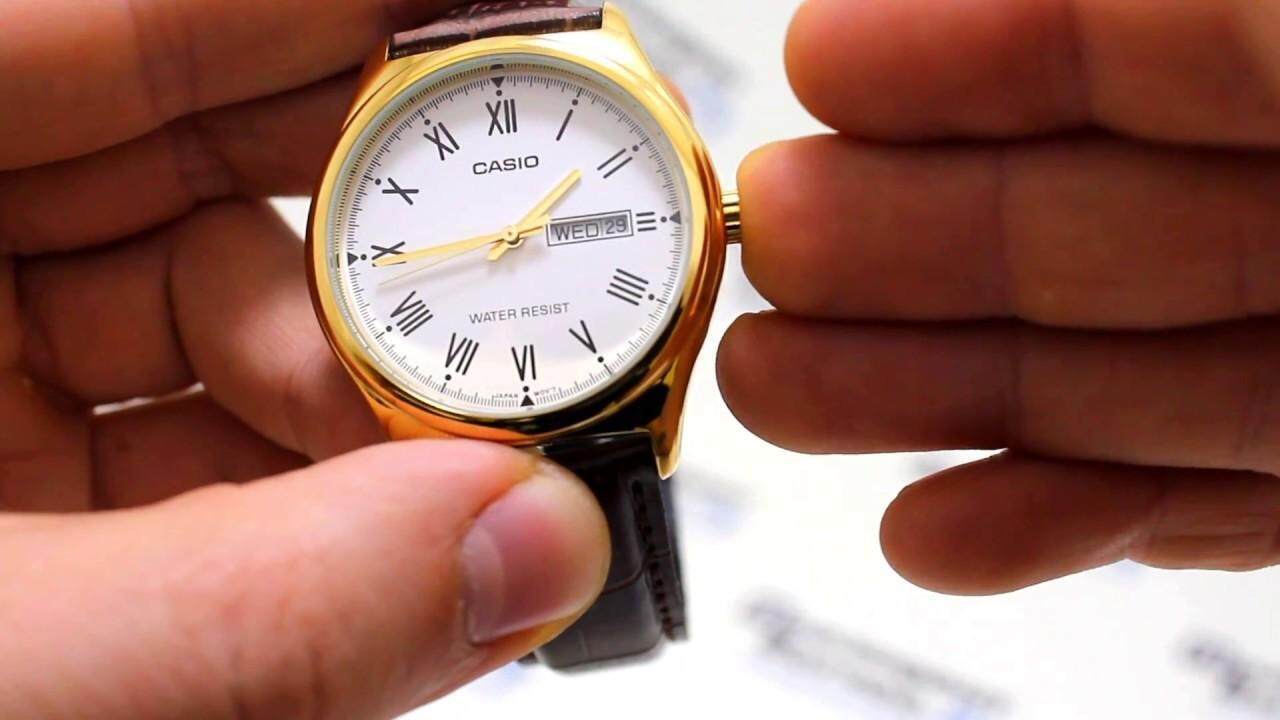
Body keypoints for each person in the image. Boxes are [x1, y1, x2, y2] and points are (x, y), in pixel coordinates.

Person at [0, 0, 1274, 716]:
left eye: (524, 228)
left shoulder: (604, 88)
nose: (510, 239)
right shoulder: (451, 126)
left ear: (704, 225)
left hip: (590, 398)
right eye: (500, 235)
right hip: (458, 398)